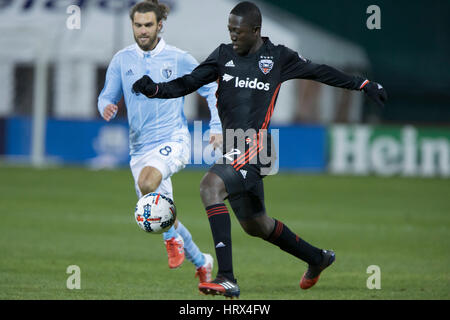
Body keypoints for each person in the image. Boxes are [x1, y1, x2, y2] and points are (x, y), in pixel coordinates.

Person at [131, 1, 387, 298]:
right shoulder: (223, 55)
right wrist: (156, 89)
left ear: (255, 30)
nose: (233, 36)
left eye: (238, 31)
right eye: (229, 30)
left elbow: (319, 72)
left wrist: (362, 83)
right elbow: (189, 82)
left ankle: (226, 277)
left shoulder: (278, 57)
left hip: (256, 147)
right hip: (233, 147)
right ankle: (317, 258)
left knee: (209, 187)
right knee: (256, 225)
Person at [98, 0, 223, 283]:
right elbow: (106, 94)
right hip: (139, 149)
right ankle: (202, 261)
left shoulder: (179, 58)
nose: (142, 31)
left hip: (173, 140)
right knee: (162, 213)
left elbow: (211, 87)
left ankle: (171, 240)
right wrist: (105, 106)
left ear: (160, 26)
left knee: (147, 185)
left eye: (148, 25)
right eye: (138, 25)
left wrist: (216, 124)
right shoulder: (122, 60)